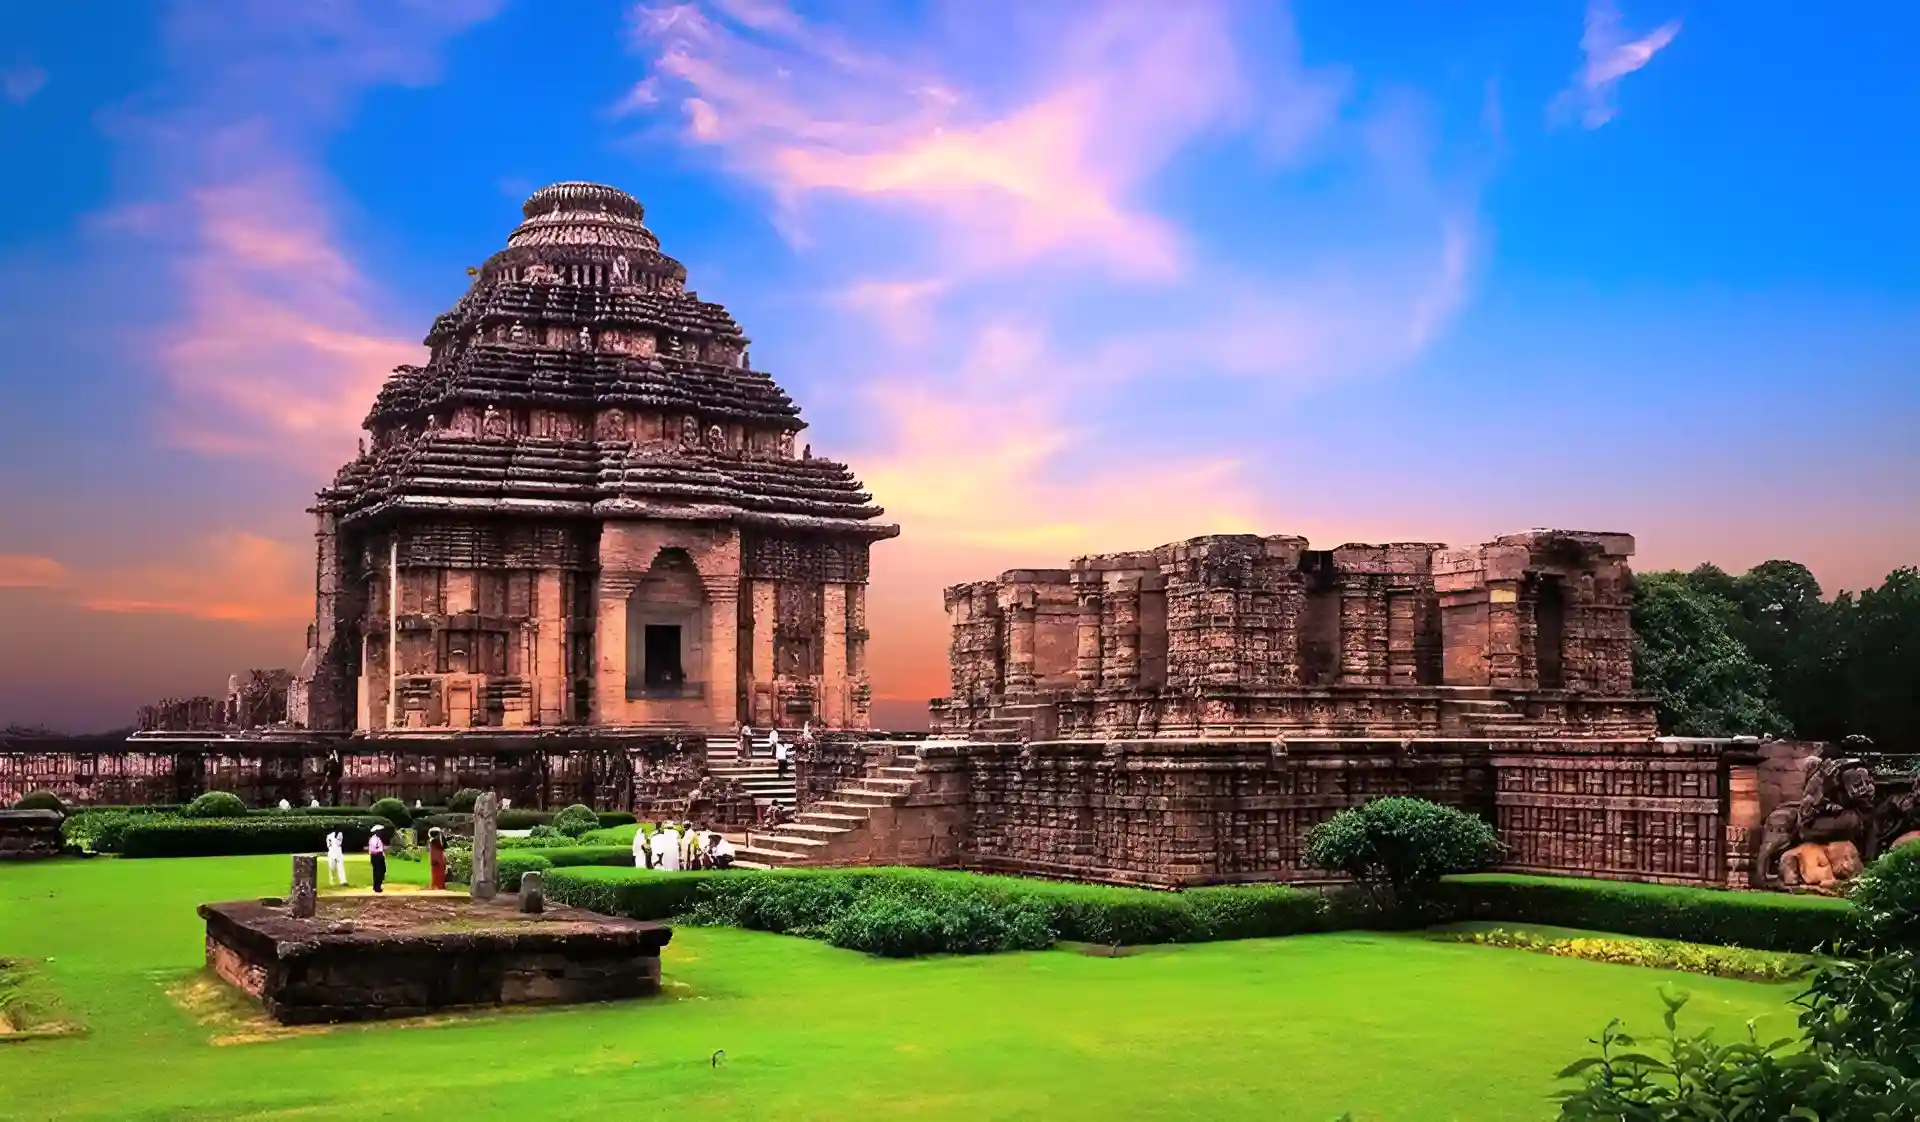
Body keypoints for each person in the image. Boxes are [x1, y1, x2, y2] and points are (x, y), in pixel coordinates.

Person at [366, 825, 388, 893]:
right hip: (376, 856)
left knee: (382, 870)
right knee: (378, 872)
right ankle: (377, 887)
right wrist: (380, 851)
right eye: (380, 831)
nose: (381, 832)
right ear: (376, 831)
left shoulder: (378, 838)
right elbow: (373, 849)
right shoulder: (373, 839)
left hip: (379, 856)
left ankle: (377, 886)